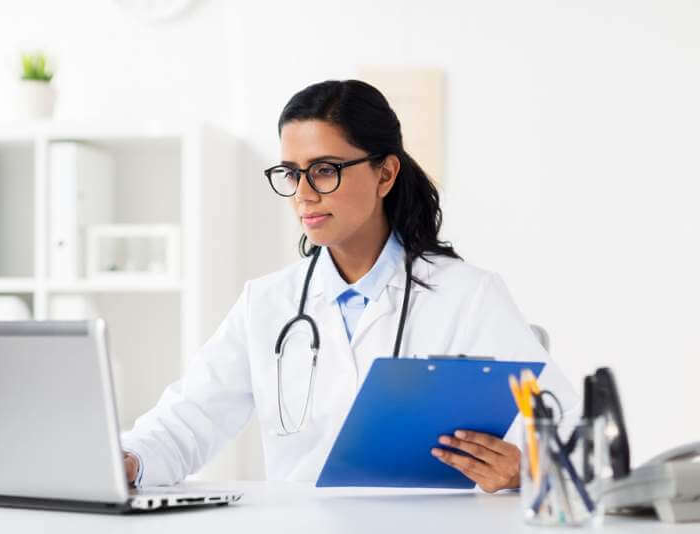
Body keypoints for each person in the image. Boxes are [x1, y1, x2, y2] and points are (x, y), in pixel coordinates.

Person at [121, 80, 578, 493]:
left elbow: (563, 429)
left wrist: (526, 469)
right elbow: (188, 419)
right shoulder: (266, 303)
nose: (303, 193)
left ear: (385, 174)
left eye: (324, 169)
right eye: (291, 173)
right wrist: (128, 461)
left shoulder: (466, 296)